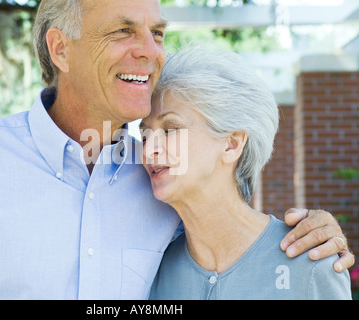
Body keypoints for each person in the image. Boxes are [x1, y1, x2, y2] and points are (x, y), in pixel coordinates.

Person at [0, 0, 353, 299]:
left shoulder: (159, 190)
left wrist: (316, 235)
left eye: (157, 33)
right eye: (123, 31)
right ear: (61, 48)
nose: (149, 51)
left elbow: (234, 235)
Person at [142, 46, 351, 300]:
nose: (148, 150)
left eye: (170, 129)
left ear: (232, 144)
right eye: (144, 134)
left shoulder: (310, 263)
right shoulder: (150, 269)